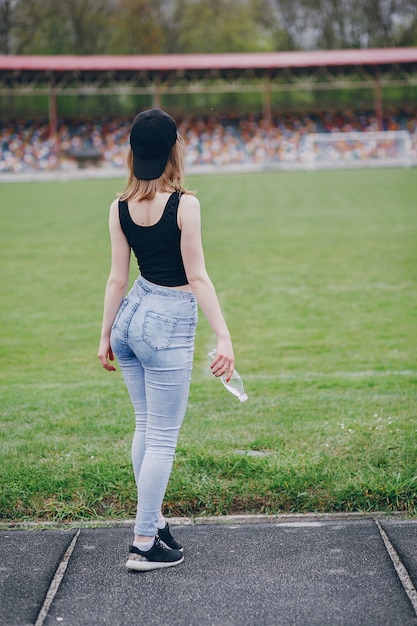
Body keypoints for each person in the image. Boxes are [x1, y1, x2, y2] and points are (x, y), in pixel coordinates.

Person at [97, 109, 235, 571]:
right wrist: (225, 336)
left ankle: (153, 522)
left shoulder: (118, 206)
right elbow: (196, 275)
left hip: (131, 316)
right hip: (167, 322)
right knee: (161, 436)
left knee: (144, 425)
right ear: (176, 149)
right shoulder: (185, 204)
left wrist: (104, 337)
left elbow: (117, 280)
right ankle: (143, 542)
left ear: (134, 154)